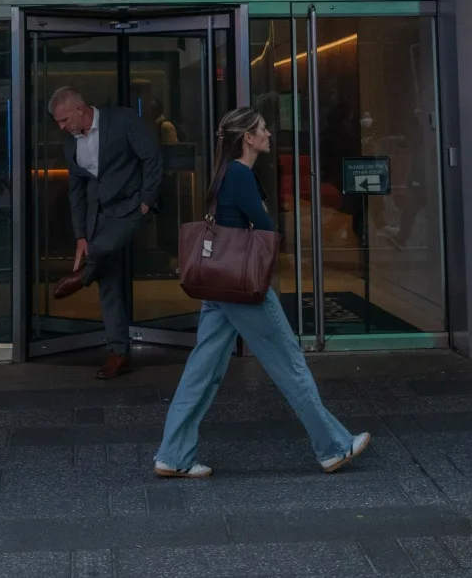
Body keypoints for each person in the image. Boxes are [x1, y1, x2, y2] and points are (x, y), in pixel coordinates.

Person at [152, 106, 370, 478]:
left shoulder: (227, 172)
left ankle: (173, 455)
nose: (270, 134)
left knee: (201, 372)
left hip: (219, 286)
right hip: (244, 288)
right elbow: (266, 228)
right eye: (264, 130)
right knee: (290, 364)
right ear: (248, 138)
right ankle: (333, 447)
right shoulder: (240, 174)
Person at [49, 86, 163, 380]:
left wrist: (147, 200)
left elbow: (152, 156)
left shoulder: (123, 120)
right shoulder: (70, 144)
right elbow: (76, 192)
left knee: (101, 251)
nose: (61, 127)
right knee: (109, 283)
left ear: (79, 108)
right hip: (97, 218)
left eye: (63, 120)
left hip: (131, 210)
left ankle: (81, 276)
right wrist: (80, 236)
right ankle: (118, 353)